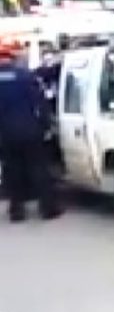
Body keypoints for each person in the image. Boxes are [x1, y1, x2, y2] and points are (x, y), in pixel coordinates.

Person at [0, 40, 60, 222]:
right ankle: (48, 209)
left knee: (12, 171)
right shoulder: (24, 76)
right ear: (12, 58)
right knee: (39, 168)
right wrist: (47, 125)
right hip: (30, 129)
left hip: (6, 134)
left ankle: (16, 212)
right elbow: (40, 102)